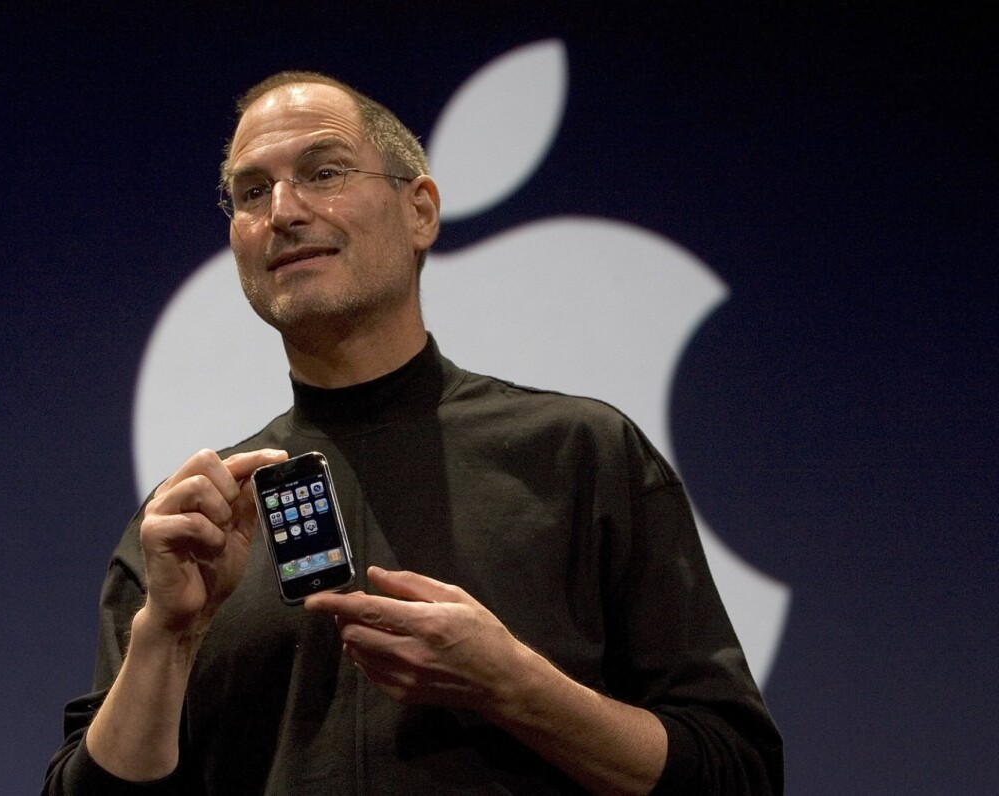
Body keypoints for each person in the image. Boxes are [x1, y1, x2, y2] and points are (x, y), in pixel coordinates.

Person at [42, 71, 783, 795]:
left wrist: (514, 685)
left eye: (324, 171)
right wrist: (167, 638)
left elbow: (736, 771)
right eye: (251, 192)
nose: (284, 211)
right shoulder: (193, 528)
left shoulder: (580, 453)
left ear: (420, 210)